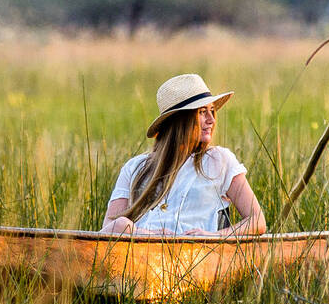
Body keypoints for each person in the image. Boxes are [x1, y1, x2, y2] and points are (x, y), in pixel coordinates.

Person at [103, 73, 266, 236]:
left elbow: (257, 220)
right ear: (180, 120)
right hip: (139, 255)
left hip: (198, 256)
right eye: (202, 112)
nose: (211, 120)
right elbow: (108, 227)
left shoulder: (220, 160)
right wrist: (142, 233)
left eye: (212, 111)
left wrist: (214, 236)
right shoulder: (135, 167)